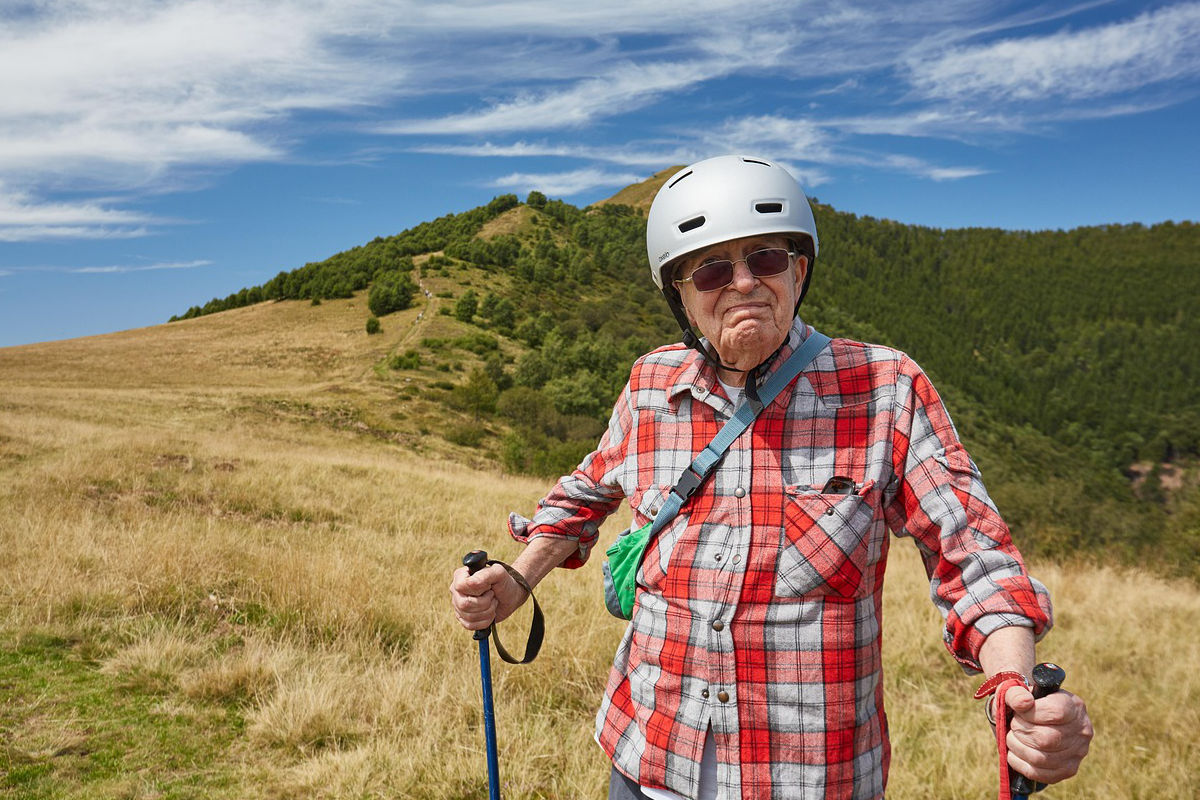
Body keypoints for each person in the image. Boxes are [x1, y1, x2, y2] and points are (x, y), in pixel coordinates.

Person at [450, 155, 1093, 799]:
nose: (742, 284)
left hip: (809, 778)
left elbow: (974, 555)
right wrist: (515, 577)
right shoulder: (650, 385)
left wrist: (1014, 687)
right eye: (711, 270)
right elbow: (587, 492)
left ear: (798, 270)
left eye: (764, 259)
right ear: (681, 295)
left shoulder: (885, 387)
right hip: (646, 757)